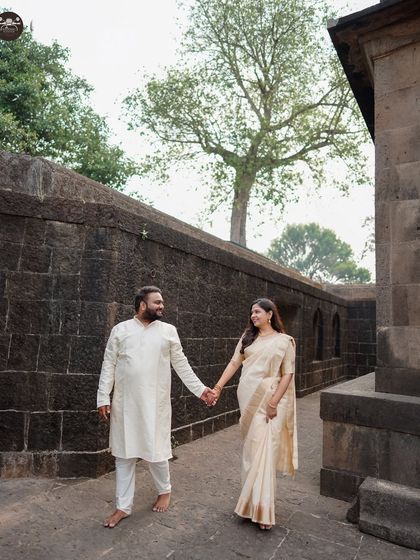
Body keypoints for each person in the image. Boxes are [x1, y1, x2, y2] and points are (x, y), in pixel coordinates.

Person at [97, 286, 216, 528]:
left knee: (156, 452)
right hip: (125, 403)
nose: (162, 306)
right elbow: (108, 364)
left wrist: (201, 390)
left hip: (155, 404)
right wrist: (103, 397)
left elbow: (181, 365)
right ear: (142, 304)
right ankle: (123, 506)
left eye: (162, 302)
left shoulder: (168, 331)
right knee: (123, 455)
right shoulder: (120, 330)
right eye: (157, 302)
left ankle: (165, 490)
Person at [212, 298, 297, 531]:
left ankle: (263, 510)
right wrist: (218, 387)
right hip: (247, 397)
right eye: (251, 312)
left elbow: (288, 374)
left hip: (267, 398)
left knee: (263, 452)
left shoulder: (284, 341)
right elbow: (233, 363)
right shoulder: (247, 338)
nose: (253, 316)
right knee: (250, 452)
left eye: (258, 312)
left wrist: (273, 402)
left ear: (270, 314)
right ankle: (250, 504)